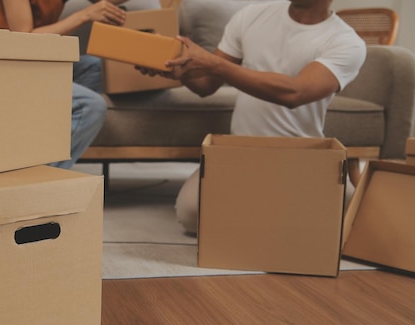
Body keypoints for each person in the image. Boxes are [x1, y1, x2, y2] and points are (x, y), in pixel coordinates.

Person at [140, 0, 366, 234]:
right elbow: (206, 85)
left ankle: (272, 216)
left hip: (302, 154)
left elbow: (295, 93)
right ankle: (273, 217)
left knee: (346, 212)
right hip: (240, 150)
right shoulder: (252, 16)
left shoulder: (346, 42)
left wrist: (214, 64)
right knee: (190, 214)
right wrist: (174, 69)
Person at [0, 0, 127, 169]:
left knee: (98, 68)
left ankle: (43, 138)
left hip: (43, 64)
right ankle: (37, 178)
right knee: (91, 105)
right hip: (8, 65)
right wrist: (84, 15)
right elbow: (24, 39)